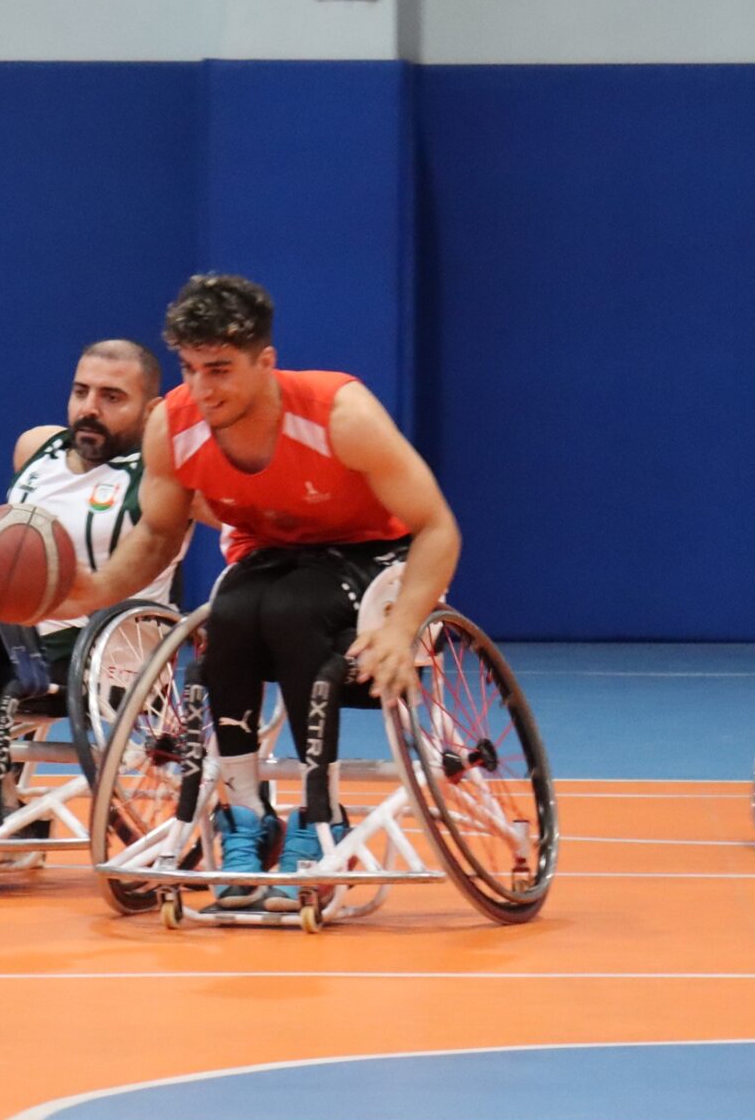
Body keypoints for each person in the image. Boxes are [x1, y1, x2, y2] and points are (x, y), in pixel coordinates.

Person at [52, 274, 461, 910]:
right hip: (269, 558)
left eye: (219, 369)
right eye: (190, 369)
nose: (202, 389)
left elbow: (438, 526)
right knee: (233, 614)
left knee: (295, 608)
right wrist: (93, 590)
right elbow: (159, 536)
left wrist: (403, 627)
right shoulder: (173, 426)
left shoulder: (340, 414)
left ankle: (319, 818)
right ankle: (245, 816)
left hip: (373, 553)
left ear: (265, 362)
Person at [0, 339, 182, 836]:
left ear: (152, 409)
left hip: (109, 648)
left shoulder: (163, 473)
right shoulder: (38, 449)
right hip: (23, 636)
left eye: (112, 397)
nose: (89, 408)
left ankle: (2, 792)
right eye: (81, 391)